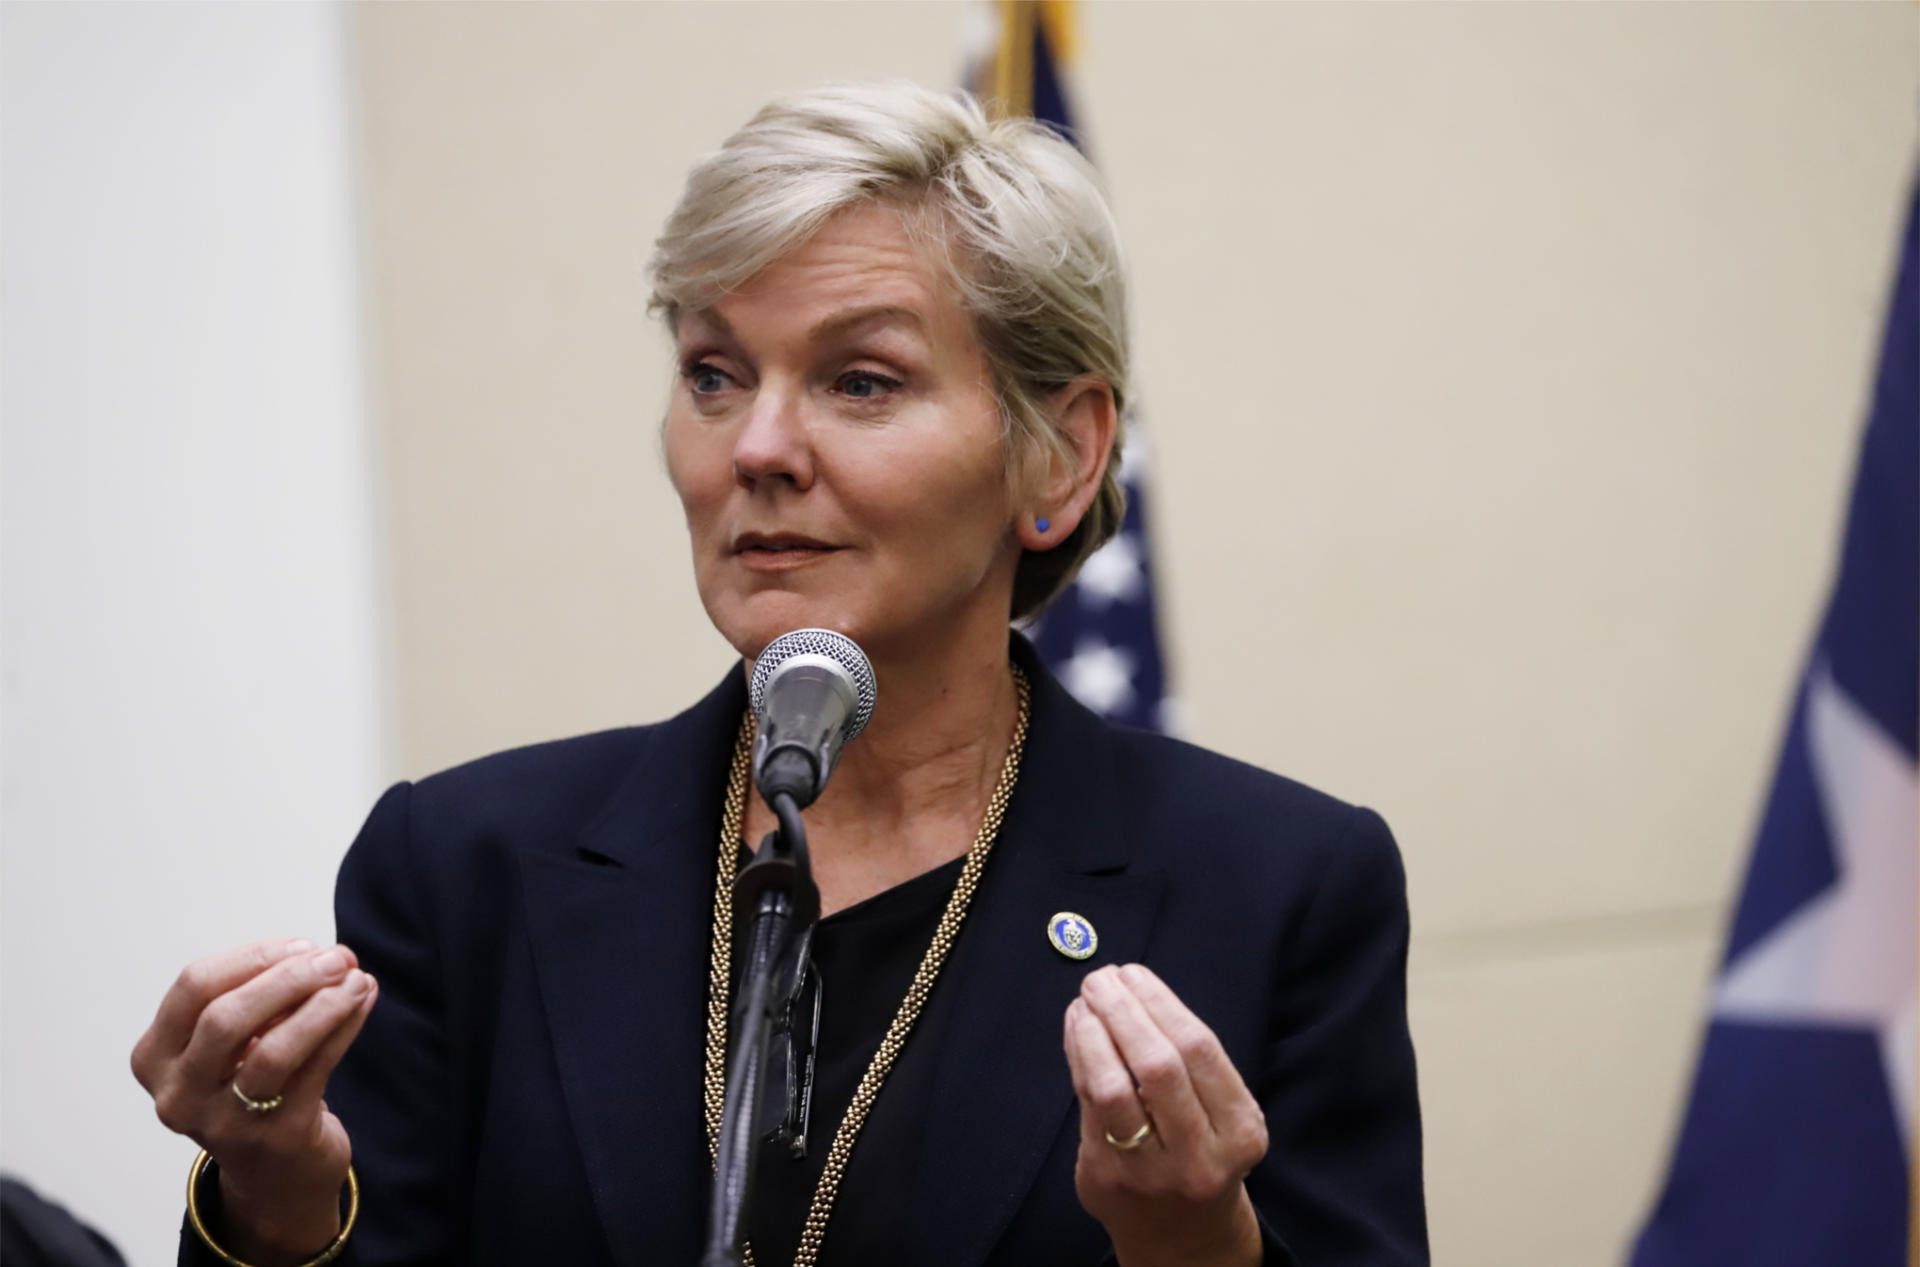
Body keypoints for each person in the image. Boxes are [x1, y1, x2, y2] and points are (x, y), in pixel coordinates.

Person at [132, 81, 1426, 1267]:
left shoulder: (1281, 889)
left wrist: (1194, 1241)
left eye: (861, 381)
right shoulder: (463, 871)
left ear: (1062, 458)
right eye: (713, 373)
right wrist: (278, 1189)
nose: (755, 447)